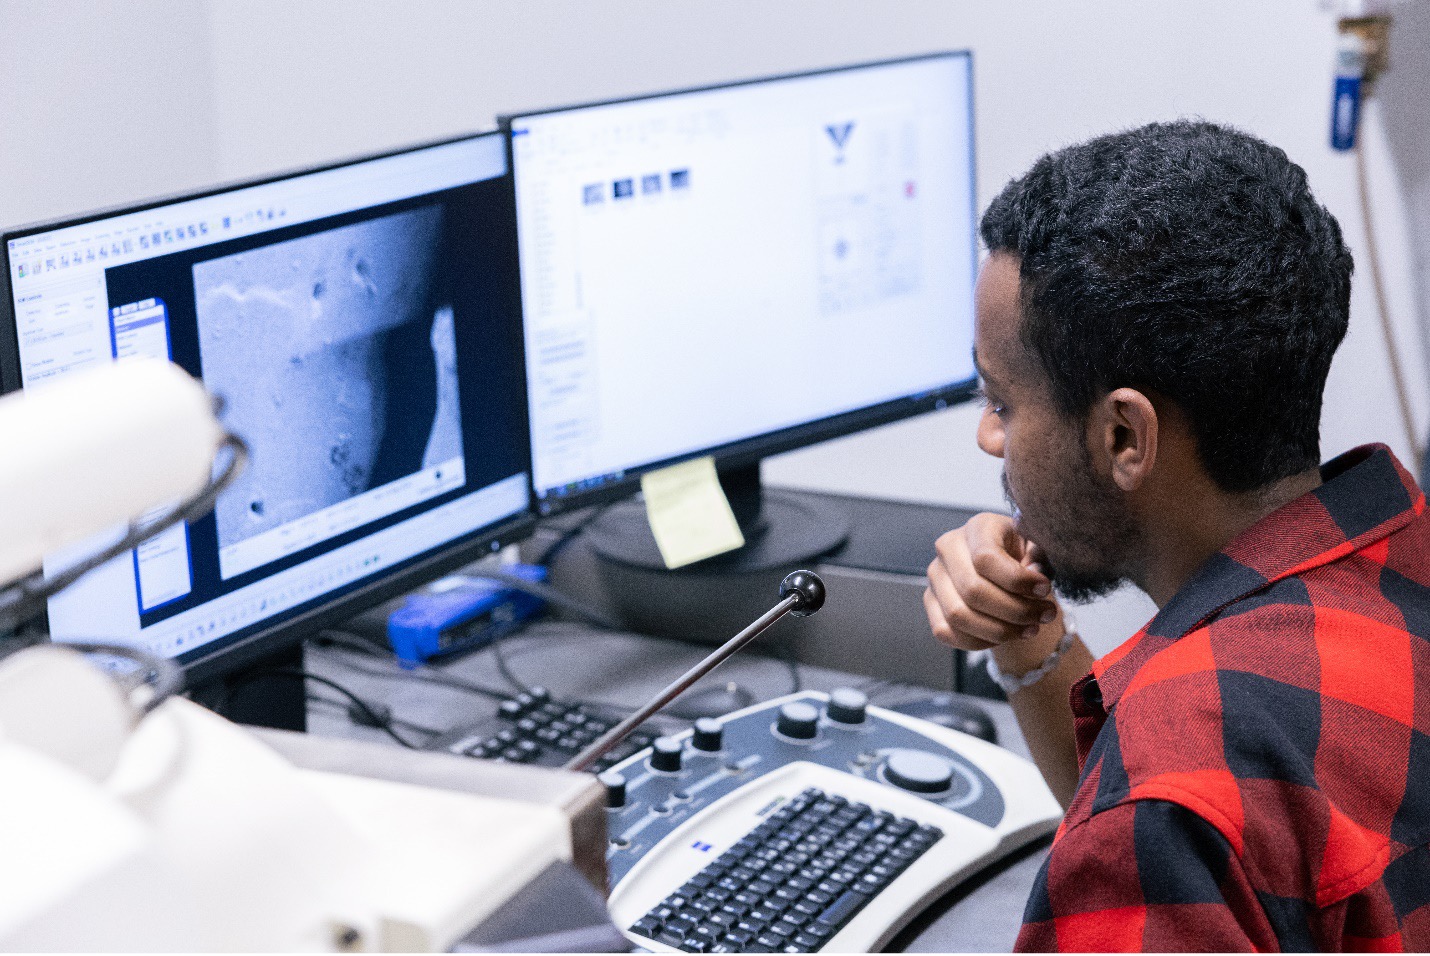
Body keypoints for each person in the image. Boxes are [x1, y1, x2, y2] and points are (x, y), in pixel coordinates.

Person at [925, 120, 1430, 951]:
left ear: (1126, 437)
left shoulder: (1174, 788)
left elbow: (1159, 813)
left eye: (1003, 403)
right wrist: (1027, 635)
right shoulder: (1396, 555)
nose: (990, 438)